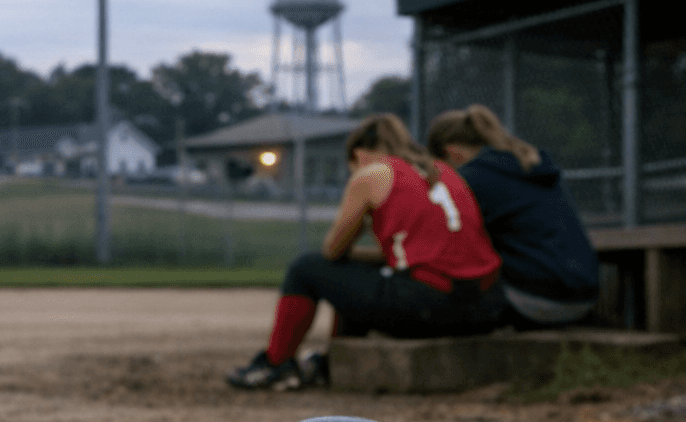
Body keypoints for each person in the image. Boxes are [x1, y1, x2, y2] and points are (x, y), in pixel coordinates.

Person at [228, 113, 505, 390]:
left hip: (431, 305)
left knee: (306, 268)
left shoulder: (373, 173)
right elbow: (419, 255)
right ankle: (330, 365)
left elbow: (332, 250)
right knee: (358, 278)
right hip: (486, 306)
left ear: (359, 155)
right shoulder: (441, 170)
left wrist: (361, 230)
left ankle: (276, 364)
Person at [426, 104, 599, 328]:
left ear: (451, 152)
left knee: (437, 299)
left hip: (536, 299)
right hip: (584, 296)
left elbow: (444, 242)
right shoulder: (531, 165)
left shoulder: (472, 178)